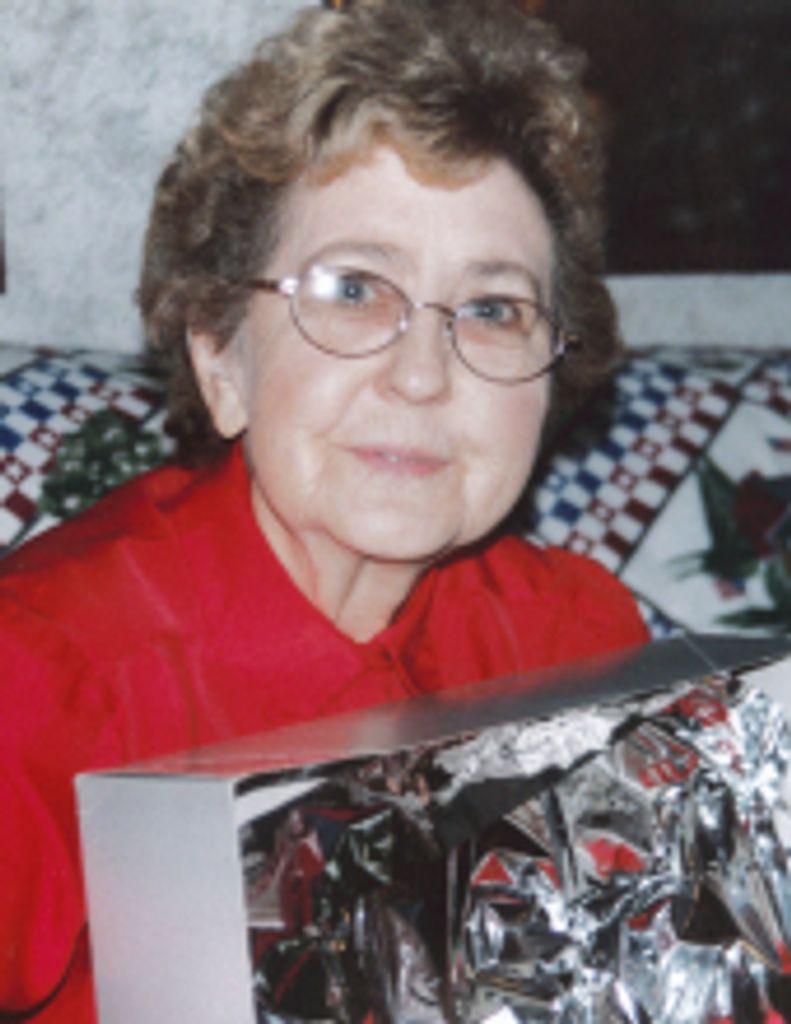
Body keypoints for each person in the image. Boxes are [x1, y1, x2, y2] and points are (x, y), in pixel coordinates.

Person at [0, 0, 648, 1020]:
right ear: (220, 358)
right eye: (353, 289)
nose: (422, 375)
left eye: (491, 308)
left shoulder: (578, 642)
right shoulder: (42, 672)